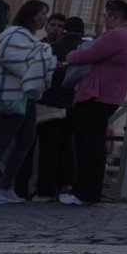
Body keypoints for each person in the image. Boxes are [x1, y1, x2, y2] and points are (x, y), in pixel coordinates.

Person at [62, 0, 127, 206]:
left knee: (88, 145)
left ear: (115, 16)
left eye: (105, 16)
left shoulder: (117, 35)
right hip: (107, 95)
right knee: (91, 144)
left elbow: (85, 56)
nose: (103, 20)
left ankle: (85, 193)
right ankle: (85, 192)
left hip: (97, 94)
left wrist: (70, 54)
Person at [0, 0, 56, 203]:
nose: (44, 18)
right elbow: (10, 58)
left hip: (26, 94)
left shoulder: (29, 38)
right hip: (12, 93)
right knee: (3, 139)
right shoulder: (13, 33)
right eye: (42, 14)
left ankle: (6, 186)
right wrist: (36, 67)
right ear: (30, 15)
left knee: (26, 139)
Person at [34, 16, 85, 200]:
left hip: (51, 101)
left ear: (65, 31)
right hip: (74, 103)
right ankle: (66, 186)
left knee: (49, 148)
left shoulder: (51, 48)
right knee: (67, 147)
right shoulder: (86, 50)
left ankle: (46, 190)